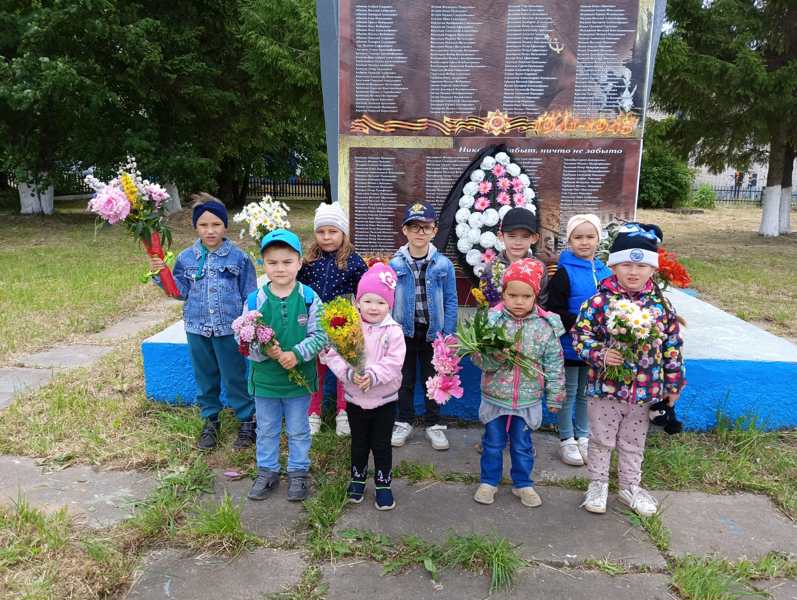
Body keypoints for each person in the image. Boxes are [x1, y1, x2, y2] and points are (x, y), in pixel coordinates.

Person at [573, 223, 685, 516]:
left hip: (644, 392)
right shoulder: (599, 302)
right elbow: (579, 337)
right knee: (600, 440)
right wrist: (600, 353)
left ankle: (629, 487)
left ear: (653, 270)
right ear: (613, 265)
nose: (633, 272)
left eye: (641, 265)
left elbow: (672, 346)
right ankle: (597, 485)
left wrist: (673, 386)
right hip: (605, 391)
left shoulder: (661, 307)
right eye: (625, 264)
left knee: (633, 442)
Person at [149, 194, 257, 451]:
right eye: (204, 225)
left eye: (216, 225)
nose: (210, 231)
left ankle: (246, 420)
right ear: (196, 227)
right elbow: (179, 292)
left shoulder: (238, 259)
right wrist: (159, 272)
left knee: (234, 377)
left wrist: (247, 326)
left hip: (228, 330)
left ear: (225, 226)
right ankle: (210, 420)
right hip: (197, 328)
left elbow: (250, 296)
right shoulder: (187, 258)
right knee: (205, 377)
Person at [471, 259, 565, 508]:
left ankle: (523, 483)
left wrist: (555, 395)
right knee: (492, 443)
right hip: (496, 396)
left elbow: (554, 363)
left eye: (526, 296)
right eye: (512, 295)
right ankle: (489, 481)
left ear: (535, 295)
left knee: (523, 445)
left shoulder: (545, 327)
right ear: (503, 293)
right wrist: (493, 356)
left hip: (527, 399)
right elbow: (477, 357)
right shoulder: (492, 321)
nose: (519, 301)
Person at [242, 229, 327, 502]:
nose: (280, 268)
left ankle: (298, 471)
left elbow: (322, 335)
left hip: (298, 381)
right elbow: (243, 338)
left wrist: (298, 354)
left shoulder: (310, 298)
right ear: (263, 264)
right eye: (273, 262)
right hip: (265, 380)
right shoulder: (256, 300)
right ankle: (267, 471)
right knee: (266, 428)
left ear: (299, 262)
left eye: (287, 262)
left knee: (298, 427)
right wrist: (263, 349)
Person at [321, 263, 406, 510]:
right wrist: (349, 373)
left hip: (384, 400)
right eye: (367, 301)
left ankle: (383, 483)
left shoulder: (394, 331)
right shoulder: (348, 326)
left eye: (380, 302)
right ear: (358, 302)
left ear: (389, 304)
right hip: (355, 397)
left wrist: (372, 375)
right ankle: (357, 478)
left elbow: (394, 362)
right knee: (358, 443)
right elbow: (334, 355)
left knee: (381, 444)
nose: (373, 307)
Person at [544, 214, 611, 467]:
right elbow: (555, 309)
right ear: (569, 241)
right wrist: (583, 324)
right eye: (578, 237)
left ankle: (583, 436)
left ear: (598, 239)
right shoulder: (564, 272)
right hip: (570, 347)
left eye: (590, 236)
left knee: (587, 393)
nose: (585, 242)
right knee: (568, 392)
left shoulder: (605, 272)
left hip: (596, 349)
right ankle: (566, 439)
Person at [389, 201, 458, 450]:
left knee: (434, 379)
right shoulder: (394, 264)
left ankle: (434, 424)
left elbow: (451, 300)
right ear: (405, 231)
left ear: (434, 230)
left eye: (425, 227)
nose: (420, 232)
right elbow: (387, 299)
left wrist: (448, 334)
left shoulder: (443, 265)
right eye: (414, 227)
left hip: (434, 334)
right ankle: (403, 420)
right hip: (403, 332)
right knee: (404, 379)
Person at [299, 201, 368, 437]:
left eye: (333, 231)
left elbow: (363, 294)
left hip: (343, 326)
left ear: (343, 233)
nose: (326, 237)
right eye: (321, 231)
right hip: (314, 325)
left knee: (343, 371)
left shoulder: (354, 261)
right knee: (314, 370)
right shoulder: (308, 262)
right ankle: (313, 412)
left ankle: (343, 412)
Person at [480, 207, 549, 307]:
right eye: (512, 236)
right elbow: (483, 302)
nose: (518, 242)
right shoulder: (491, 266)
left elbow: (542, 303)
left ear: (534, 238)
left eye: (525, 236)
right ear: (501, 236)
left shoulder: (539, 267)